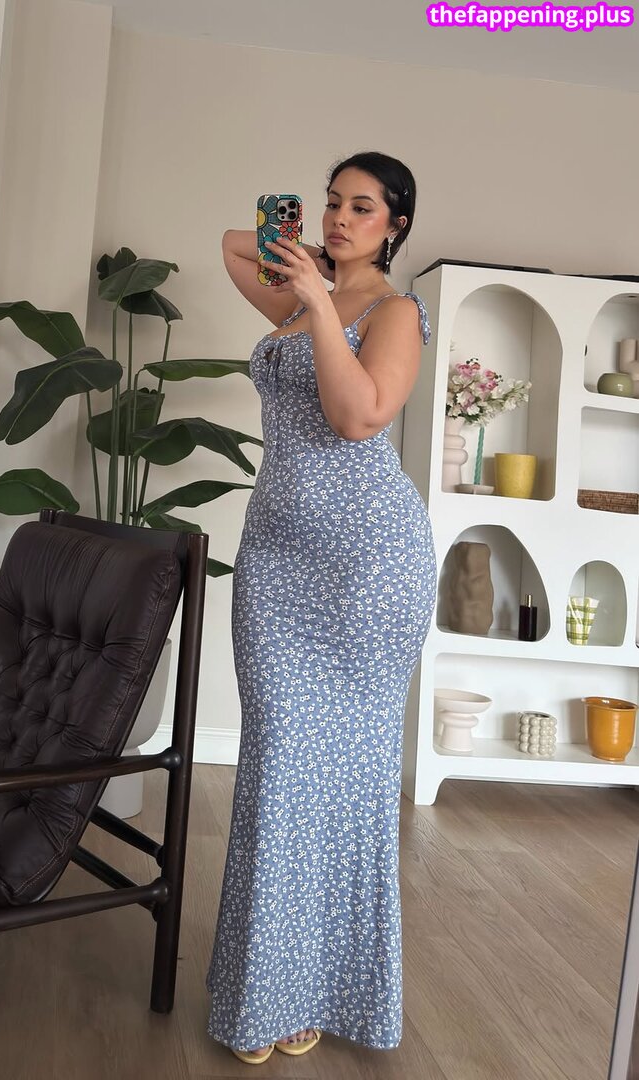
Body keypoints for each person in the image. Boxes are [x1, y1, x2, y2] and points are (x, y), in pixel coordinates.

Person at [204, 151, 437, 1064]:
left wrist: (320, 294)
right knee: (277, 764)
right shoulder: (302, 300)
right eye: (333, 202)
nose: (341, 218)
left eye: (362, 207)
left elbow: (358, 416)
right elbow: (233, 245)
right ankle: (266, 985)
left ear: (396, 225)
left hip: (368, 569)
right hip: (276, 561)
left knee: (345, 780)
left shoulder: (394, 313)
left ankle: (323, 990)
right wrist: (294, 250)